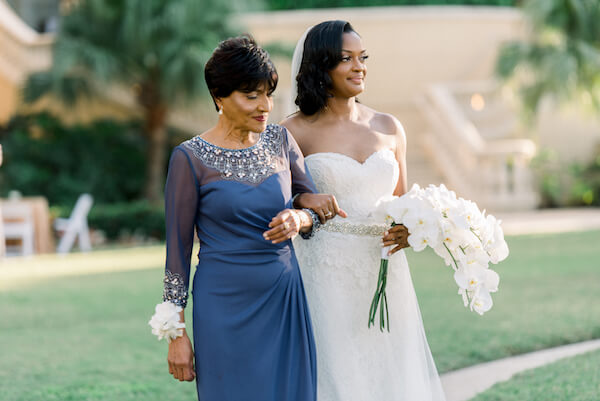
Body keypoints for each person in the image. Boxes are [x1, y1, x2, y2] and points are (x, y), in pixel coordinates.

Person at [159, 36, 336, 401]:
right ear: (219, 97)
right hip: (222, 306)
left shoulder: (281, 141)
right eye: (251, 95)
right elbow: (176, 255)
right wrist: (176, 333)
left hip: (283, 299)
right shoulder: (189, 158)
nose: (265, 106)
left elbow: (314, 210)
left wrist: (299, 220)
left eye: (268, 94)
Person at [281, 21, 447, 401]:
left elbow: (404, 205)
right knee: (337, 372)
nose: (360, 67)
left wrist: (409, 230)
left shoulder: (389, 127)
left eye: (363, 58)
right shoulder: (293, 132)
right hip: (325, 272)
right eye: (346, 59)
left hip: (385, 271)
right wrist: (302, 200)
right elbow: (278, 202)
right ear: (321, 66)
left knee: (389, 371)